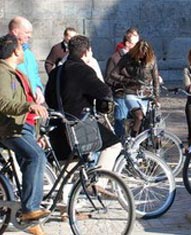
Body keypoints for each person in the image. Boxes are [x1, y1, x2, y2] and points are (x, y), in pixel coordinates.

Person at [44, 35, 121, 181]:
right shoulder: (83, 70)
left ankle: (63, 197)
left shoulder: (56, 72)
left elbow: (48, 97)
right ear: (86, 52)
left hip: (57, 126)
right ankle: (100, 183)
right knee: (114, 145)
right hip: (78, 126)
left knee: (69, 166)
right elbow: (104, 92)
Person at [0, 34, 49, 235]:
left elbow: (29, 111)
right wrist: (29, 105)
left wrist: (37, 133)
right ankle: (30, 209)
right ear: (15, 51)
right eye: (22, 45)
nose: (25, 48)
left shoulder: (16, 73)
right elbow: (2, 102)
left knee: (34, 161)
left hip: (24, 128)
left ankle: (30, 220)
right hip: (11, 129)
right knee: (36, 156)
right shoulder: (2, 73)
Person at [107, 40, 160, 137]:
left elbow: (156, 79)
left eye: (144, 55)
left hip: (146, 94)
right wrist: (126, 80)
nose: (141, 57)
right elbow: (113, 74)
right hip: (131, 92)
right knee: (139, 117)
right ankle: (133, 138)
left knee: (150, 122)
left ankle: (143, 143)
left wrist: (157, 98)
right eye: (140, 55)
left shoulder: (151, 59)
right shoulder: (127, 58)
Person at [105, 28, 140, 138]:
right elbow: (108, 79)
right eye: (136, 44)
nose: (138, 47)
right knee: (120, 124)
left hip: (135, 95)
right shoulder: (115, 58)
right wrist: (125, 82)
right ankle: (118, 146)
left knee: (140, 120)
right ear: (128, 43)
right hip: (121, 96)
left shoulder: (136, 58)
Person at [8, 16, 44, 105]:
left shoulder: (29, 53)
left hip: (31, 104)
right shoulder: (5, 52)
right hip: (15, 105)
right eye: (27, 32)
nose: (30, 36)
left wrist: (38, 89)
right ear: (15, 32)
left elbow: (35, 75)